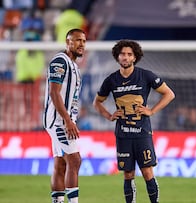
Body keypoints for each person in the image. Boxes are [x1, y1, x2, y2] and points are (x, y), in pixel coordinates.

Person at [93, 39, 175, 203]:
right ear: (117, 57)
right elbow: (97, 102)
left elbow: (169, 94)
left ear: (135, 58)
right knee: (128, 174)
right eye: (122, 54)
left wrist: (151, 110)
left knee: (147, 172)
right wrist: (109, 116)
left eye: (129, 54)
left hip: (142, 132)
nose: (125, 57)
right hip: (123, 134)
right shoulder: (111, 80)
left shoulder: (145, 75)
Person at [43, 28, 86, 203]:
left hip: (65, 119)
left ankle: (58, 201)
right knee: (74, 160)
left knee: (61, 163)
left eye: (83, 41)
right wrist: (67, 120)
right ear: (68, 42)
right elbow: (54, 93)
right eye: (77, 40)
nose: (81, 44)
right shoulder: (60, 61)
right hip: (58, 120)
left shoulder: (74, 66)